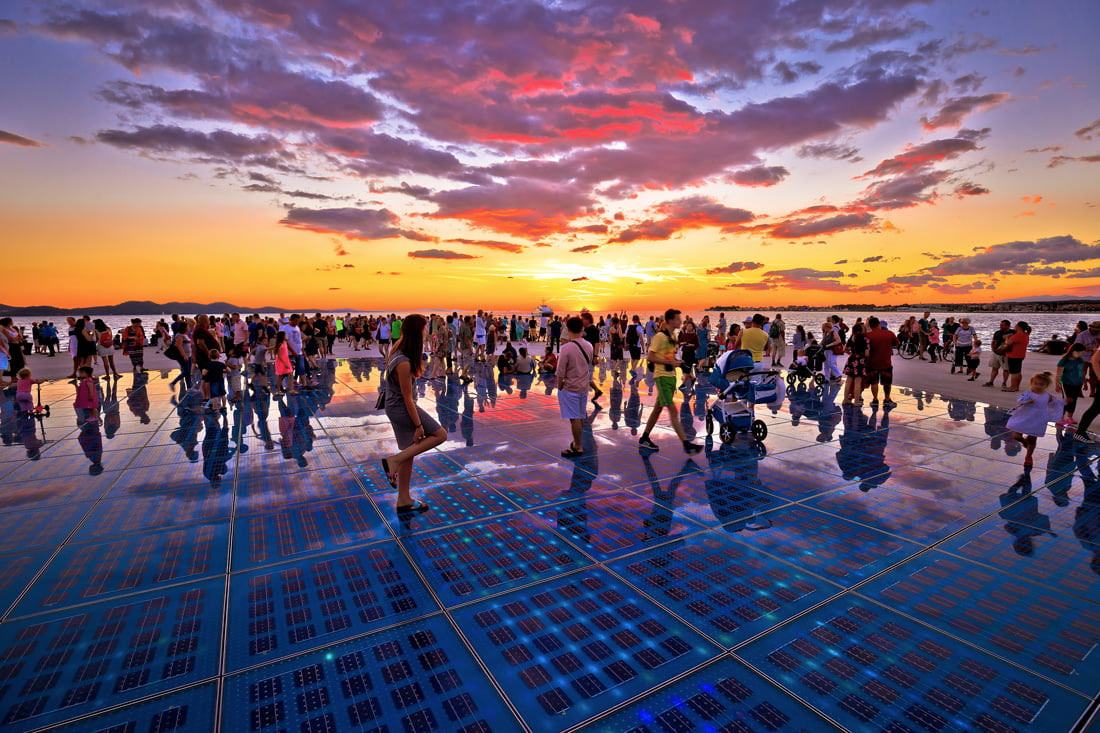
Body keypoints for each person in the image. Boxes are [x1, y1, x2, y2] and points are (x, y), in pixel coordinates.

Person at [380, 314, 448, 513]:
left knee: (409, 453)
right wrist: (418, 426)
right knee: (440, 435)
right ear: (417, 332)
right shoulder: (403, 362)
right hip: (400, 408)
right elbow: (407, 398)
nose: (427, 332)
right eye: (424, 329)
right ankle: (393, 460)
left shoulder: (399, 351)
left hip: (396, 407)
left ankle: (403, 499)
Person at [638, 308, 702, 455]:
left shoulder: (673, 336)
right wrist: (671, 363)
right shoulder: (660, 337)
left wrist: (676, 361)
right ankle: (687, 444)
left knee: (657, 409)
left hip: (671, 377)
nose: (681, 321)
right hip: (661, 377)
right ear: (671, 320)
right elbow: (650, 357)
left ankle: (645, 438)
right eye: (678, 319)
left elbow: (668, 356)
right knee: (673, 410)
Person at [557, 316, 594, 457]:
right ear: (582, 328)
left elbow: (561, 372)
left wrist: (560, 386)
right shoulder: (589, 346)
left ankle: (578, 446)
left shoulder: (566, 348)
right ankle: (577, 441)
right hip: (583, 387)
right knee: (580, 415)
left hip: (570, 388)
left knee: (574, 418)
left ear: (568, 329)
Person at [1006, 372, 1058, 469]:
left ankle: (1028, 457)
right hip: (1024, 416)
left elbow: (1055, 404)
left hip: (1037, 419)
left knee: (1032, 438)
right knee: (1016, 435)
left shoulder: (1048, 396)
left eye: (1041, 384)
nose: (1038, 386)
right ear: (1031, 383)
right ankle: (1024, 442)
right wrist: (1027, 401)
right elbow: (1020, 400)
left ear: (1046, 385)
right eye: (1036, 383)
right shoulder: (1028, 394)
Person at [865, 316, 899, 408]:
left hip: (872, 363)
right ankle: (887, 399)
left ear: (870, 326)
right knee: (887, 382)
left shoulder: (868, 335)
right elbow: (896, 343)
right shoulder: (889, 333)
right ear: (879, 324)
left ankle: (875, 399)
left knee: (874, 383)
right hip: (886, 362)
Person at [1056, 343, 1087, 427]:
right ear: (1074, 351)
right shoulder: (1064, 360)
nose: (1082, 354)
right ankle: (1060, 417)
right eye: (1081, 352)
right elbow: (1059, 373)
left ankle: (1070, 417)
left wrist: (1084, 382)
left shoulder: (1080, 360)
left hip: (1077, 383)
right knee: (1066, 400)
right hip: (1066, 383)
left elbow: (1082, 372)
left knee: (1074, 400)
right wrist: (1057, 384)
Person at [984, 319, 1015, 388]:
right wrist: (993, 349)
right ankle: (991, 381)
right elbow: (993, 341)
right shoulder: (998, 332)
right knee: (994, 368)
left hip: (1005, 354)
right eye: (1000, 325)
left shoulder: (1013, 332)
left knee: (1006, 369)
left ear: (1008, 326)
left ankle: (1004, 383)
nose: (1000, 326)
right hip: (996, 353)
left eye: (1002, 325)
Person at [842, 323, 867, 405]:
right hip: (860, 360)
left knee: (848, 380)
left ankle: (845, 399)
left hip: (851, 359)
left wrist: (850, 352)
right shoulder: (865, 339)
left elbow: (844, 349)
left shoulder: (852, 338)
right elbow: (867, 353)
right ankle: (856, 401)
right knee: (857, 382)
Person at [1003, 321, 1031, 393]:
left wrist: (1007, 338)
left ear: (1019, 327)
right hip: (1020, 355)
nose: (1014, 326)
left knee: (1014, 372)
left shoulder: (1018, 335)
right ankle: (1016, 386)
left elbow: (1008, 342)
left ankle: (1012, 387)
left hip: (1014, 355)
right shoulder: (1025, 334)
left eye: (1016, 325)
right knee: (1018, 372)